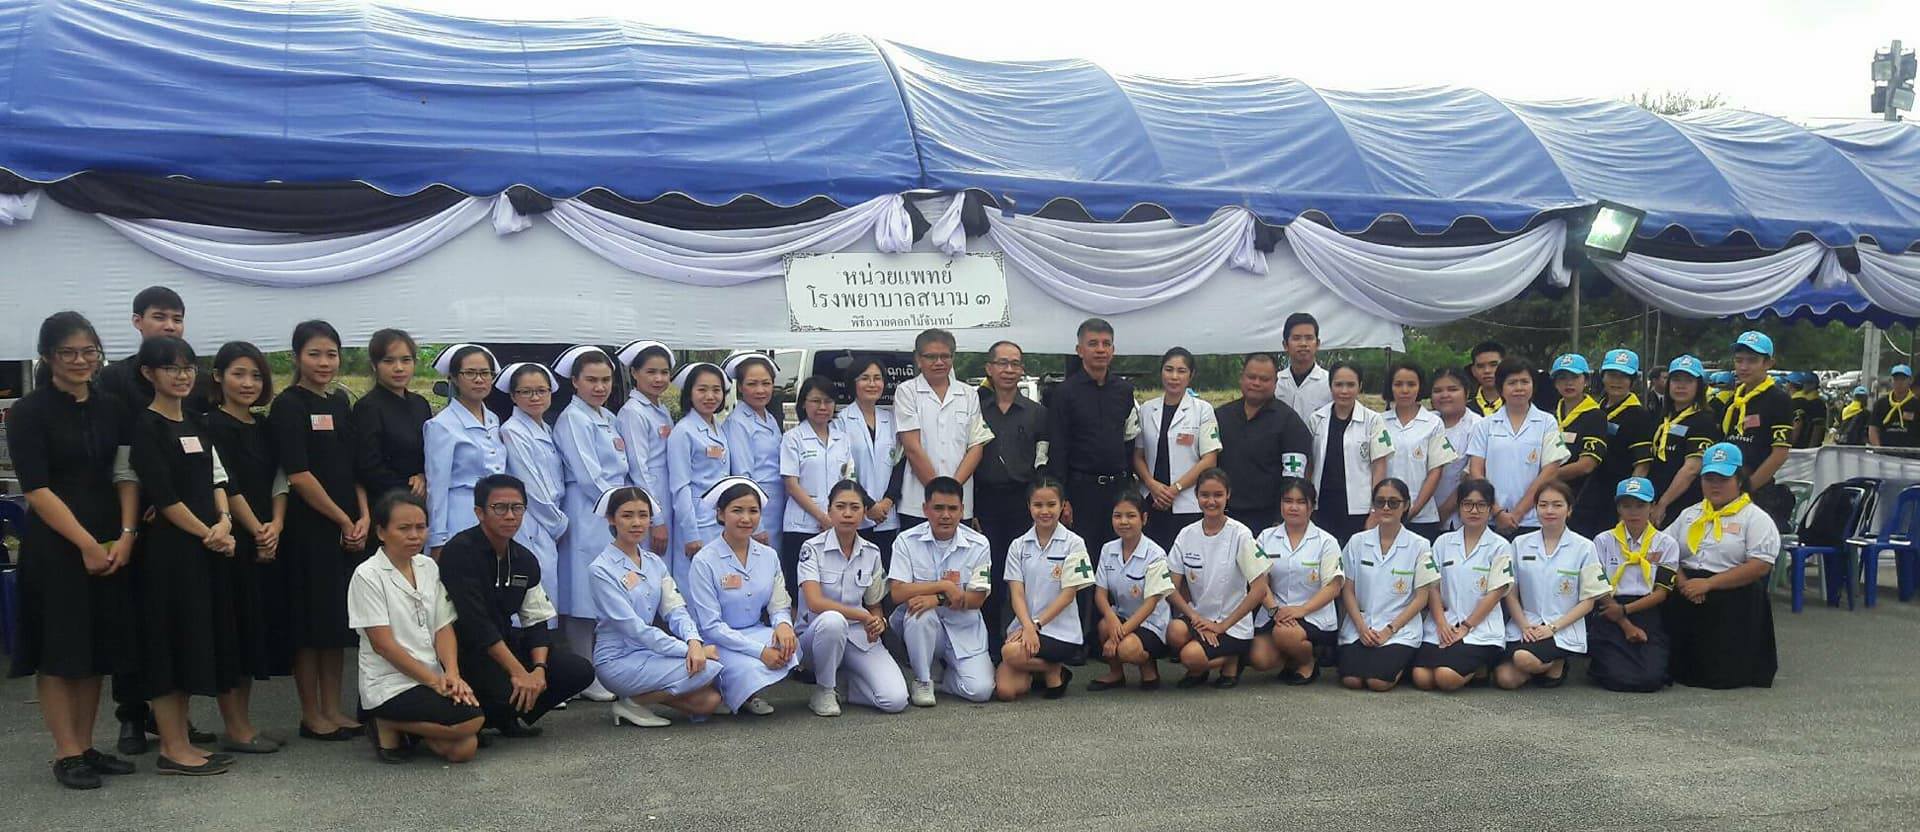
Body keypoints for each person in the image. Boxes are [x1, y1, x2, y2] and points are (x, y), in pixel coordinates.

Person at [9, 312, 142, 789]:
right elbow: (37, 490)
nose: (81, 360)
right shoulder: (27, 412)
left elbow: (125, 474)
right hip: (57, 546)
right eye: (69, 352)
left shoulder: (111, 406)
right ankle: (66, 752)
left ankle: (87, 745)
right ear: (48, 357)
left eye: (90, 351)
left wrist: (126, 536)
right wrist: (86, 544)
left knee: (95, 648)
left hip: (111, 540)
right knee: (60, 650)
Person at [91, 287, 211, 757]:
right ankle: (131, 716)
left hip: (181, 518)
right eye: (160, 317)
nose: (169, 325)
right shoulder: (115, 379)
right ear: (137, 321)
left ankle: (174, 723)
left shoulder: (189, 379)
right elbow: (114, 454)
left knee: (173, 625)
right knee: (135, 621)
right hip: (129, 518)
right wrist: (139, 507)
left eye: (177, 318)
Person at [128, 336, 243, 775]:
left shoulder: (197, 422)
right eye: (171, 367)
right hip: (169, 554)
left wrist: (225, 522)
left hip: (206, 548)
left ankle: (182, 743)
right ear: (148, 373)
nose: (181, 375)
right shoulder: (146, 426)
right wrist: (209, 535)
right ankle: (172, 747)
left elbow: (219, 479)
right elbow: (165, 496)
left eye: (187, 367)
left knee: (194, 642)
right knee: (167, 646)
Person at [438, 474, 595, 738]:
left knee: (578, 671)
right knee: (501, 686)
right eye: (499, 508)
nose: (510, 516)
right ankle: (485, 717)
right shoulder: (460, 552)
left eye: (517, 507)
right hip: (466, 651)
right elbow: (476, 625)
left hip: (505, 642)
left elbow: (537, 621)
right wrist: (518, 672)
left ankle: (507, 714)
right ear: (479, 512)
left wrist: (538, 671)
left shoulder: (524, 559)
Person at [270, 320, 368, 741]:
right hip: (311, 528)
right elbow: (299, 474)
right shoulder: (288, 405)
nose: (324, 362)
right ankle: (311, 714)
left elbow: (354, 467)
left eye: (331, 354)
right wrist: (344, 519)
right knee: (310, 627)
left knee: (335, 625)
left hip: (349, 529)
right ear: (296, 357)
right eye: (314, 354)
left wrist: (363, 516)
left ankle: (333, 708)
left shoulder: (342, 403)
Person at [346, 492, 483, 764]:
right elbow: (382, 645)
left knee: (463, 749)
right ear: (381, 532)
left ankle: (403, 729)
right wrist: (435, 682)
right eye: (404, 528)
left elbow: (443, 627)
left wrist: (452, 674)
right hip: (390, 683)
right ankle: (385, 720)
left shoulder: (428, 566)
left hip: (432, 676)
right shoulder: (367, 574)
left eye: (421, 528)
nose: (414, 536)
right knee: (472, 721)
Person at [202, 341, 292, 753]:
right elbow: (225, 483)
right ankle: (235, 728)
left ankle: (246, 723)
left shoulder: (265, 425)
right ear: (218, 377)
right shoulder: (209, 425)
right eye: (238, 373)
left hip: (267, 536)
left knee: (254, 629)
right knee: (232, 634)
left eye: (256, 375)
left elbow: (281, 478)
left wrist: (275, 525)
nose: (248, 383)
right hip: (231, 541)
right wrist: (258, 530)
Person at [588, 486, 723, 727]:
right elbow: (635, 628)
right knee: (707, 668)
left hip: (650, 653)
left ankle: (638, 700)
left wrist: (694, 641)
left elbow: (676, 609)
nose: (636, 523)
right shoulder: (601, 569)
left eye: (642, 515)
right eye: (627, 515)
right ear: (611, 519)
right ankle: (632, 703)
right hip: (618, 659)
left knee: (708, 701)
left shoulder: (654, 562)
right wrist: (688, 651)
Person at [1046, 318, 1136, 652]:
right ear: (1079, 349)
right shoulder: (1064, 393)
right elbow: (1059, 447)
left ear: (1113, 350)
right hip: (1080, 491)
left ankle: (1109, 635)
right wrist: (1062, 496)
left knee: (1115, 564)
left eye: (1106, 344)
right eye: (1093, 343)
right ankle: (1079, 639)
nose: (1100, 350)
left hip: (1117, 490)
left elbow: (1130, 443)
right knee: (1082, 566)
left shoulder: (1124, 391)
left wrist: (1130, 491)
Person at [1662, 443, 1779, 689]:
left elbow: (1760, 565)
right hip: (1687, 589)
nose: (1715, 485)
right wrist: (1683, 583)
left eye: (1723, 479)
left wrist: (1709, 584)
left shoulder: (1755, 518)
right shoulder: (1689, 514)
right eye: (1709, 478)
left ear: (1739, 480)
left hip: (1731, 592)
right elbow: (1664, 549)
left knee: (1722, 675)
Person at [551, 344, 628, 702]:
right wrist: (619, 508)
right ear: (574, 382)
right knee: (583, 594)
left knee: (604, 591)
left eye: (606, 380)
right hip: (588, 511)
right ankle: (583, 672)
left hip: (611, 511)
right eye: (592, 380)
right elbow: (587, 475)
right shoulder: (573, 419)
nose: (600, 387)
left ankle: (600, 666)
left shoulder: (607, 418)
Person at [685, 477, 798, 716]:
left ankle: (742, 690)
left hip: (755, 631)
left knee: (792, 648)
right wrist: (760, 651)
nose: (746, 519)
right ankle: (733, 691)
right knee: (752, 667)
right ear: (721, 514)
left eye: (753, 511)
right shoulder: (704, 560)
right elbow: (711, 625)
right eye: (737, 510)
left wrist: (784, 625)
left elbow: (778, 605)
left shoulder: (768, 556)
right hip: (719, 641)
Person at [795, 480, 907, 716]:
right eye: (840, 507)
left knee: (894, 700)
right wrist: (862, 614)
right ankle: (824, 690)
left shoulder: (872, 553)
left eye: (855, 508)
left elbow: (875, 604)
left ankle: (847, 686)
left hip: (858, 635)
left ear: (865, 512)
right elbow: (815, 602)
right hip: (816, 636)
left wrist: (878, 622)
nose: (847, 514)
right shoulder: (811, 548)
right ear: (829, 510)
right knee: (833, 621)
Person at [888, 476, 995, 706]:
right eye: (938, 508)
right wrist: (943, 587)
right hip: (922, 628)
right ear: (925, 509)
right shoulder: (906, 541)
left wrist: (936, 598)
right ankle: (922, 680)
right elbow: (896, 593)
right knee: (920, 614)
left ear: (962, 510)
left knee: (981, 691)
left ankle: (944, 679)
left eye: (952, 508)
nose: (945, 515)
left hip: (964, 629)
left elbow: (977, 599)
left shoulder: (979, 544)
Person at [1494, 480, 1609, 689]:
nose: (1549, 510)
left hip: (1561, 626)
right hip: (1527, 624)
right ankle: (1546, 668)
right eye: (1543, 504)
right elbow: (1511, 592)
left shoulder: (1584, 547)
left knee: (1522, 658)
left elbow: (1589, 602)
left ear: (1569, 510)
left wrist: (1552, 628)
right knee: (1505, 678)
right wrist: (1523, 625)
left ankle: (1557, 661)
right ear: (1536, 508)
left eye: (1557, 505)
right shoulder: (1520, 544)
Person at [1164, 469, 1269, 689]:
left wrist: (1222, 626)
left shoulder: (1241, 535)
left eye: (1218, 495)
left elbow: (1259, 589)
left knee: (1189, 656)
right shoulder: (1186, 534)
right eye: (1205, 495)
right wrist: (1194, 617)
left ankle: (1231, 659)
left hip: (1231, 624)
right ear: (1196, 496)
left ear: (1228, 495)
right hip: (1200, 620)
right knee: (1174, 631)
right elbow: (1171, 586)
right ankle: (1202, 667)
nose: (1211, 501)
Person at [975, 340, 1048, 655]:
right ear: (989, 368)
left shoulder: (1037, 413)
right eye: (1002, 363)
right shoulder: (974, 409)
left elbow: (1044, 461)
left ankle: (1023, 639)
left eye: (1015, 364)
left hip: (1023, 503)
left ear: (1022, 370)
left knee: (1022, 575)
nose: (1008, 370)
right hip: (984, 502)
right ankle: (988, 644)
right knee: (988, 573)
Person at [994, 478, 1095, 701]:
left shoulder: (1074, 543)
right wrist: (1028, 626)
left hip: (1060, 632)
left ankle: (1052, 669)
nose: (1045, 511)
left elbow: (1069, 595)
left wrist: (1036, 625)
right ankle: (1045, 671)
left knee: (1009, 653)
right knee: (1006, 692)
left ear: (1063, 506)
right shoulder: (1018, 545)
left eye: (1051, 504)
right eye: (1038, 505)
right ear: (1028, 506)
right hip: (1024, 629)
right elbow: (1016, 593)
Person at [1336, 478, 1437, 692]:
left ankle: (1403, 663)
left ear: (1406, 505)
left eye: (1393, 502)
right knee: (1351, 680)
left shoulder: (1420, 546)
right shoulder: (1357, 542)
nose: (1386, 508)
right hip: (1361, 626)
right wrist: (1362, 628)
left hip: (1399, 628)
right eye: (1380, 502)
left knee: (1378, 682)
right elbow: (1348, 590)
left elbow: (1422, 598)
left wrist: (1390, 630)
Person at [1412, 479, 1511, 692]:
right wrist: (1440, 623)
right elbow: (1433, 586)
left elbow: (1495, 594)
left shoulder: (1500, 546)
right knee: (1421, 678)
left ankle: (1480, 668)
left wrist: (1466, 626)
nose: (1473, 510)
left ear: (1490, 508)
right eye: (1467, 504)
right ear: (1459, 507)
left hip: (1480, 628)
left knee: (1445, 678)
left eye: (1481, 505)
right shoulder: (1442, 542)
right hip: (1444, 625)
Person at [1588, 477, 1680, 692]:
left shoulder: (1666, 543)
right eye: (1627, 506)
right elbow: (1598, 584)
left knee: (1651, 679)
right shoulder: (1603, 541)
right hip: (1609, 607)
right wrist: (1623, 621)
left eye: (1641, 505)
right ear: (1618, 508)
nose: (1633, 512)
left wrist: (1626, 611)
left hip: (1646, 608)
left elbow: (1661, 593)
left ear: (1652, 507)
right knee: (1617, 678)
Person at [1249, 478, 1343, 685]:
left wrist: (1301, 610)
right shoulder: (1266, 537)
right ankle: (1291, 658)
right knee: (1259, 659)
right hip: (1276, 613)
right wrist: (1275, 610)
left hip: (1313, 614)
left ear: (1311, 506)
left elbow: (1334, 587)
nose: (1293, 507)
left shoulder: (1326, 541)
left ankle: (1307, 662)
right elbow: (1259, 581)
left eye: (1300, 502)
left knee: (1285, 634)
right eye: (1288, 501)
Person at [896, 329, 991, 527]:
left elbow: (976, 446)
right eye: (931, 356)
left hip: (959, 502)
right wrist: (938, 495)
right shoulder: (907, 391)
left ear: (953, 357)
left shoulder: (968, 394)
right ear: (918, 358)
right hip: (918, 501)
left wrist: (952, 492)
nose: (939, 362)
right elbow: (912, 448)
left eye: (945, 356)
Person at [1466, 359, 1570, 538]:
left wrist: (1518, 513)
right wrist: (1496, 511)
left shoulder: (1547, 422)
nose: (1519, 388)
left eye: (1525, 382)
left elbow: (1550, 472)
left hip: (1533, 519)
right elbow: (1476, 472)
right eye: (1512, 383)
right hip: (1490, 519)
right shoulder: (1485, 425)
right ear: (1501, 387)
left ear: (1533, 386)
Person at [1131, 347, 1221, 548]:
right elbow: (1138, 454)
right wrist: (1151, 484)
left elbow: (1209, 459)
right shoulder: (1146, 409)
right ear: (1161, 372)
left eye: (1181, 371)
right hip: (1152, 500)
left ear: (1191, 375)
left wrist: (1175, 489)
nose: (1174, 377)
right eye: (1169, 369)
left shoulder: (1203, 410)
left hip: (1187, 502)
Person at [1214, 352, 1314, 534]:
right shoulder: (1220, 416)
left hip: (1268, 521)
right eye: (1251, 377)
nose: (1256, 383)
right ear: (1241, 378)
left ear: (1275, 382)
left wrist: (1280, 519)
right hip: (1223, 516)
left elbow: (1294, 477)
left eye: (1264, 379)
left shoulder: (1290, 423)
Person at [497, 363, 569, 603]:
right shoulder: (512, 431)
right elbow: (528, 485)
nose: (535, 397)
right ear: (513, 396)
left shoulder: (546, 428)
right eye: (526, 392)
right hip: (533, 520)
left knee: (548, 587)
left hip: (550, 516)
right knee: (535, 586)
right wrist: (558, 523)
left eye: (541, 390)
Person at [424, 344, 506, 556]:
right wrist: (438, 539)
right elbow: (437, 486)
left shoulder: (493, 420)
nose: (479, 379)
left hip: (496, 516)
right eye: (470, 373)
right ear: (454, 378)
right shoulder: (442, 425)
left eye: (485, 373)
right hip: (461, 515)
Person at [1087, 493, 1173, 691]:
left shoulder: (1155, 554)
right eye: (1118, 516)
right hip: (1123, 616)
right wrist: (1111, 618)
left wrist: (1117, 636)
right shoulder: (1108, 549)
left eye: (1131, 516)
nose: (1123, 522)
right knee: (1103, 625)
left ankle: (1148, 666)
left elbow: (1151, 604)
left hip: (1151, 623)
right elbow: (1100, 594)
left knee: (1126, 649)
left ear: (1144, 518)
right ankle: (1116, 674)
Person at [780, 375, 854, 603]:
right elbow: (791, 485)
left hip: (835, 524)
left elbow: (849, 481)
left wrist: (834, 518)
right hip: (801, 525)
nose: (823, 407)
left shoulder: (842, 438)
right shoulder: (793, 438)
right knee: (798, 588)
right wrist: (822, 517)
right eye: (815, 401)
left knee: (830, 586)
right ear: (803, 403)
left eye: (828, 401)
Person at [1307, 363, 1393, 544]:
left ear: (1360, 386)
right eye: (1338, 385)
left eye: (1350, 385)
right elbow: (1310, 464)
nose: (1344, 391)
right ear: (1330, 386)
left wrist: (1375, 510)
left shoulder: (1373, 420)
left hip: (1358, 509)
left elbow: (1379, 466)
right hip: (1322, 506)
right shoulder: (1316, 419)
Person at [668, 361, 734, 586]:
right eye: (702, 389)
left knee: (718, 582)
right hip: (697, 521)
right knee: (696, 585)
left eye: (716, 390)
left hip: (719, 519)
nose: (710, 396)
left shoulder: (719, 425)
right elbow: (680, 487)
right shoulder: (683, 432)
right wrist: (690, 534)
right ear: (690, 393)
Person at [1721, 332, 1796, 526]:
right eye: (1739, 361)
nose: (1744, 367)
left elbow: (1780, 454)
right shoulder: (1733, 401)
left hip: (1757, 492)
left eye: (1752, 361)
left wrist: (1747, 489)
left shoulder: (1778, 399)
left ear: (1768, 363)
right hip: (1727, 488)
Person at [351, 329, 432, 503]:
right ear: (374, 365)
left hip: (422, 499)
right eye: (389, 361)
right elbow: (368, 467)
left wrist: (424, 476)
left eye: (406, 360)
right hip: (385, 503)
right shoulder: (367, 407)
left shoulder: (420, 404)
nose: (399, 368)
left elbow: (431, 452)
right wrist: (408, 489)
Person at [838, 356, 904, 565]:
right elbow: (843, 470)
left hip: (887, 514)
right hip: (857, 512)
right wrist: (868, 504)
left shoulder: (892, 419)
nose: (872, 383)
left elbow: (900, 463)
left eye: (877, 378)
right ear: (853, 383)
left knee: (886, 574)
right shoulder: (841, 420)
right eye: (865, 378)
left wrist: (886, 502)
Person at [1381, 362, 1458, 541]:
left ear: (1420, 386)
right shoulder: (1378, 421)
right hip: (1385, 512)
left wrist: (1413, 509)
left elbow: (1435, 471)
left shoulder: (1433, 423)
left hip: (1422, 516)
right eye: (1398, 384)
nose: (1405, 390)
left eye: (1411, 384)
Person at [1582, 349, 1655, 537]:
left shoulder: (1639, 416)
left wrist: (1628, 505)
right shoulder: (1595, 408)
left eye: (1623, 376)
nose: (1617, 381)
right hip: (1588, 494)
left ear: (1632, 380)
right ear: (1602, 377)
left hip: (1615, 497)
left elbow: (1642, 466)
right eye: (1612, 375)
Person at [614, 340, 676, 556]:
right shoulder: (633, 413)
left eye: (664, 372)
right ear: (634, 373)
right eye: (651, 372)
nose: (658, 379)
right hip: (650, 498)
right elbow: (639, 468)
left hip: (666, 493)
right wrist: (655, 519)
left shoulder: (661, 409)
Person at [1647, 356, 1721, 527]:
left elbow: (1692, 469)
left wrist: (1663, 503)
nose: (1681, 386)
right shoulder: (1664, 417)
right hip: (1655, 499)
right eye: (1676, 379)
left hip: (1684, 504)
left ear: (1699, 386)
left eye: (1688, 381)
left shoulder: (1704, 420)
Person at [723, 351, 787, 543]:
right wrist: (756, 525)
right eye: (752, 384)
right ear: (740, 387)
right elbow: (743, 475)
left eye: (766, 383)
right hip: (759, 507)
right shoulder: (738, 422)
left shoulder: (769, 417)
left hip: (778, 503)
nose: (761, 390)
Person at [1547, 354, 1609, 537]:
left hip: (1581, 501)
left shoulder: (1595, 416)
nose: (1568, 383)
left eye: (1574, 377)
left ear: (1586, 380)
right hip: (1548, 500)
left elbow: (1587, 465)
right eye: (1562, 378)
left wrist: (1543, 477)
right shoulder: (1548, 416)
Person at [1428, 367, 1483, 532]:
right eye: (1437, 390)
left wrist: (1442, 513)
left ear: (1466, 393)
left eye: (1453, 389)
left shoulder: (1478, 425)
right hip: (1421, 514)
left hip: (1457, 520)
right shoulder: (1426, 422)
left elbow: (1469, 477)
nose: (1445, 395)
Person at [1276, 312, 1332, 417]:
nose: (1303, 344)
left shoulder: (1330, 383)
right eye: (1296, 338)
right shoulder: (1276, 382)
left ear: (1318, 344)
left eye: (1309, 338)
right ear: (1285, 345)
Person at [1869, 364, 1919, 448]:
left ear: (1910, 380)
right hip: (1885, 456)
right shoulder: (1881, 403)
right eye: (1896, 379)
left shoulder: (1916, 403)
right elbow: (1873, 428)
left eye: (1903, 379)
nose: (1899, 383)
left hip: (1911, 456)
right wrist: (1878, 448)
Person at [1788, 371, 1827, 449]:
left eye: (1807, 383)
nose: (1804, 386)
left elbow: (1818, 427)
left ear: (1814, 385)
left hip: (1805, 447)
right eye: (1804, 383)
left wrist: (1811, 448)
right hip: (1803, 445)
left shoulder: (1817, 403)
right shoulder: (1808, 400)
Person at [1468, 341, 1506, 418]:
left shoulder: (1518, 406)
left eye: (1493, 365)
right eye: (1480, 366)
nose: (1487, 370)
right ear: (1473, 371)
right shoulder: (1464, 410)